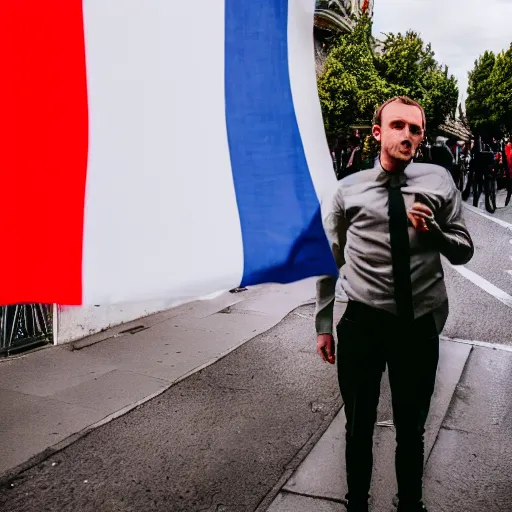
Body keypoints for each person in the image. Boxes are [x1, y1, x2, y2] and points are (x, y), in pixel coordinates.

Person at [315, 96, 474, 512]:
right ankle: (356, 504)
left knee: (412, 428)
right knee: (358, 426)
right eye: (398, 125)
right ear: (377, 132)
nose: (407, 135)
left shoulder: (439, 181)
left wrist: (435, 232)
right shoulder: (347, 190)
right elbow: (328, 257)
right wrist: (323, 324)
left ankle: (411, 504)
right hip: (363, 323)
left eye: (415, 129)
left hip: (419, 323)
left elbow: (464, 250)